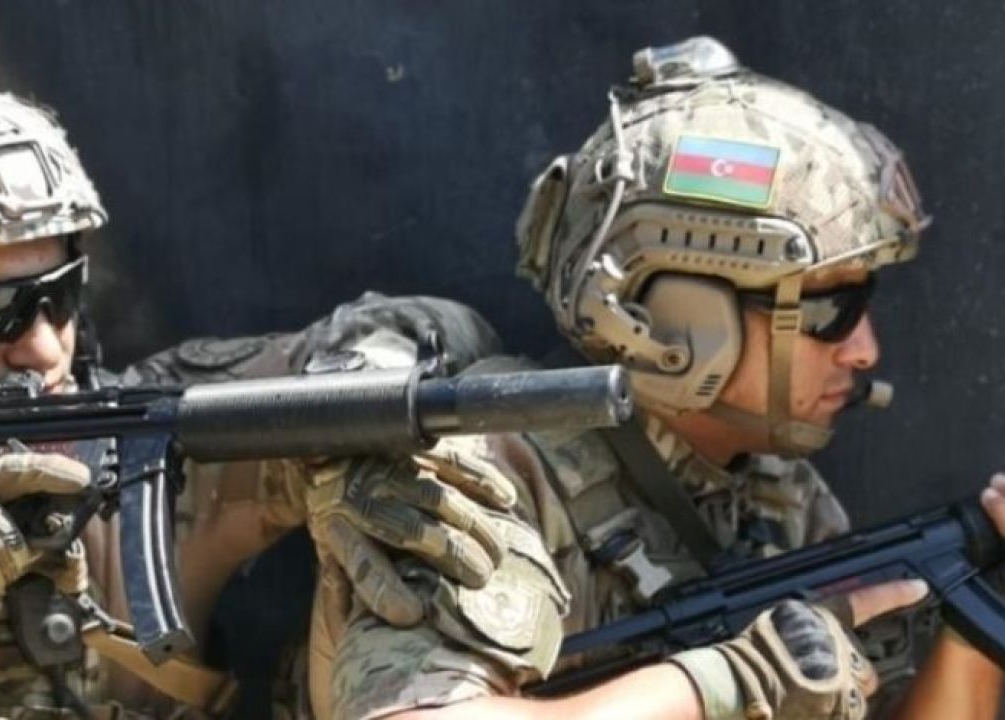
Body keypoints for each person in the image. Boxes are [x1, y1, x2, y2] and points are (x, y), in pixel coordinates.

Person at [0, 59, 518, 719]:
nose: (43, 346)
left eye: (59, 295)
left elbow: (437, 328)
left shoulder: (151, 446)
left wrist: (350, 428)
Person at [311, 37, 1005, 720]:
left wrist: (982, 621)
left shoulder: (779, 501)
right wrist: (723, 683)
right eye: (830, 310)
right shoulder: (494, 479)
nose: (865, 350)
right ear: (685, 319)